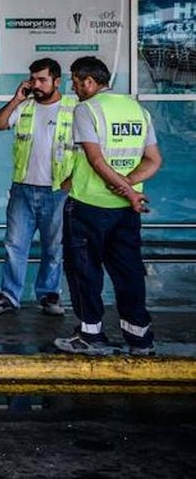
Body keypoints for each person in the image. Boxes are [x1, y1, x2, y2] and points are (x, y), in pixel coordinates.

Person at [54, 56, 163, 356]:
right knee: (129, 271)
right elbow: (154, 160)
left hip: (89, 207)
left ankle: (91, 335)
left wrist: (125, 190)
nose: (74, 89)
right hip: (126, 213)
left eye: (76, 83)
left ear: (89, 82)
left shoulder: (86, 109)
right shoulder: (137, 110)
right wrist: (129, 186)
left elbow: (96, 160)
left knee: (84, 271)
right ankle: (140, 339)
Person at [0, 58, 77, 317]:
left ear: (57, 81)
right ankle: (9, 295)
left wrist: (71, 182)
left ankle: (49, 294)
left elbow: (87, 150)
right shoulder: (25, 107)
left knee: (54, 247)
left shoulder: (73, 109)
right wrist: (16, 99)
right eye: (33, 79)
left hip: (58, 190)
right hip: (23, 189)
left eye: (42, 80)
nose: (36, 85)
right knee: (14, 245)